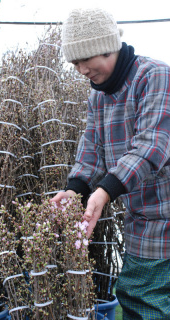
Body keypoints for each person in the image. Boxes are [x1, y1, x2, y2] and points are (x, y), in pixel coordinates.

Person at [50, 7, 170, 320]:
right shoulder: (99, 96)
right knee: (138, 294)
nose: (80, 70)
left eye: (84, 60)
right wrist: (74, 190)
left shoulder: (154, 75)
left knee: (143, 296)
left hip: (165, 214)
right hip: (141, 219)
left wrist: (104, 192)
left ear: (106, 47)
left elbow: (153, 146)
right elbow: (91, 150)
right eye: (74, 63)